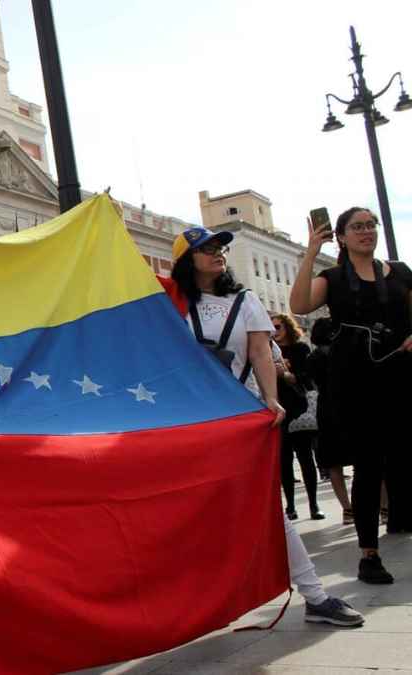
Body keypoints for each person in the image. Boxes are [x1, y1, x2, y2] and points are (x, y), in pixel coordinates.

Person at [168, 227, 363, 627]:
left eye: (221, 247)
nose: (219, 253)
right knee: (196, 513)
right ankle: (198, 603)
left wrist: (271, 400)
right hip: (191, 423)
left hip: (239, 416)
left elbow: (260, 351)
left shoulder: (245, 301)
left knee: (267, 505)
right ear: (187, 260)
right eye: (207, 248)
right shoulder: (171, 304)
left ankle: (315, 595)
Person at [290, 207, 412, 582]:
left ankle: (400, 516)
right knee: (368, 464)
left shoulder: (400, 272)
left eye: (371, 225)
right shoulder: (333, 277)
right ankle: (368, 554)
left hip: (400, 373)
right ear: (341, 236)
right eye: (357, 227)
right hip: (355, 381)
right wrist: (311, 252)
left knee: (404, 455)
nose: (366, 232)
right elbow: (299, 305)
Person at [272, 313, 323, 520]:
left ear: (288, 327)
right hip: (278, 409)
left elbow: (306, 376)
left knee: (305, 457)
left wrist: (286, 374)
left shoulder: (300, 349)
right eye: (271, 328)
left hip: (299, 408)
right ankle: (291, 506)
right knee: (284, 460)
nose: (274, 331)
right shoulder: (266, 350)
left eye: (278, 327)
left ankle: (313, 505)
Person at [306, 318, 354, 522]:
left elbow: (315, 384)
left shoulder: (312, 358)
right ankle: (383, 508)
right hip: (351, 407)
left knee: (334, 464)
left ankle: (347, 509)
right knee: (366, 459)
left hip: (326, 411)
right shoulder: (346, 352)